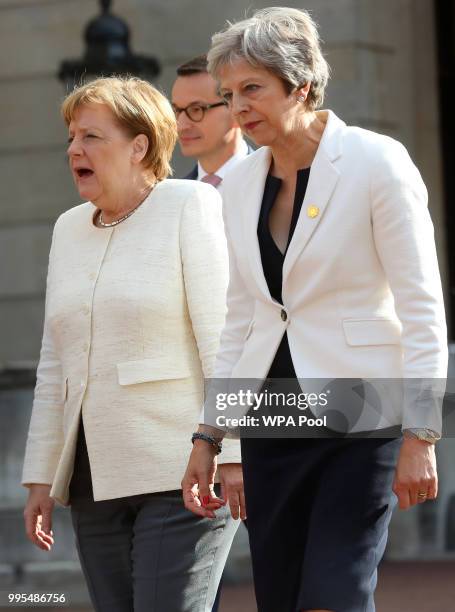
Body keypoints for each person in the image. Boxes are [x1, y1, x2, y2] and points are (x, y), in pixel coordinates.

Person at [182, 7, 448, 612]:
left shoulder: (377, 161)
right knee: (282, 596)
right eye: (229, 94)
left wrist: (422, 431)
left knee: (335, 592)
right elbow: (242, 318)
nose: (239, 106)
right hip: (270, 416)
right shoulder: (241, 184)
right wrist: (209, 435)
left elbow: (420, 303)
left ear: (300, 84)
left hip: (362, 409)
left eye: (253, 88)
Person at [21, 76, 243, 612]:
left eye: (92, 136)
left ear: (139, 146)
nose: (75, 148)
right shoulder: (68, 228)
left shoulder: (189, 205)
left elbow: (224, 337)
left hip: (185, 467)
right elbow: (56, 364)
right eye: (72, 137)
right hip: (93, 480)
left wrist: (232, 451)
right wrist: (40, 479)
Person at [172, 54, 253, 187]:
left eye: (196, 109)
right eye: (176, 110)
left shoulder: (270, 182)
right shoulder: (174, 197)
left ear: (235, 107)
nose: (181, 126)